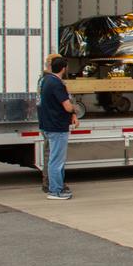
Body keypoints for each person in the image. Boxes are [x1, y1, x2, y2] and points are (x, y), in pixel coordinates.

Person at [39, 56, 77, 199]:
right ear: (63, 68)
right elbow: (67, 106)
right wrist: (74, 110)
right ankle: (55, 190)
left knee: (54, 159)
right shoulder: (56, 83)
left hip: (48, 125)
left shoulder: (46, 81)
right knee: (57, 160)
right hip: (57, 127)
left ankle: (57, 187)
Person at [37, 53, 67, 195]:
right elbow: (65, 102)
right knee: (54, 156)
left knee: (51, 154)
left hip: (46, 121)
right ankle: (52, 184)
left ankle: (53, 182)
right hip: (54, 122)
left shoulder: (44, 81)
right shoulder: (53, 81)